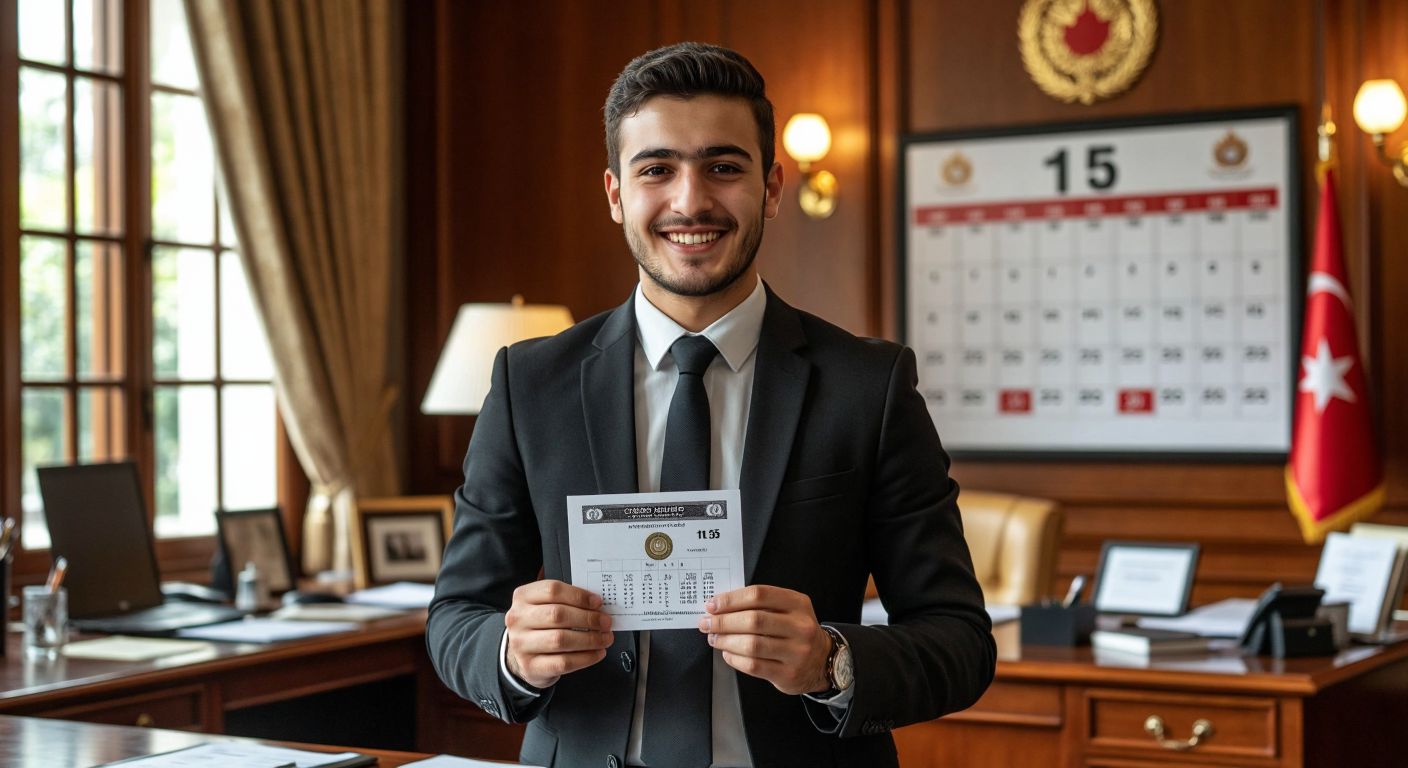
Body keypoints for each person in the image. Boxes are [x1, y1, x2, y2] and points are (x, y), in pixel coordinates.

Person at [427, 42, 995, 768]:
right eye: (656, 169)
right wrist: (511, 652)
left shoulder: (868, 386)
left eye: (723, 168)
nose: (690, 200)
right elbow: (453, 620)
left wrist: (832, 662)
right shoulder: (528, 383)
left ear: (772, 188)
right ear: (614, 194)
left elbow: (960, 640)